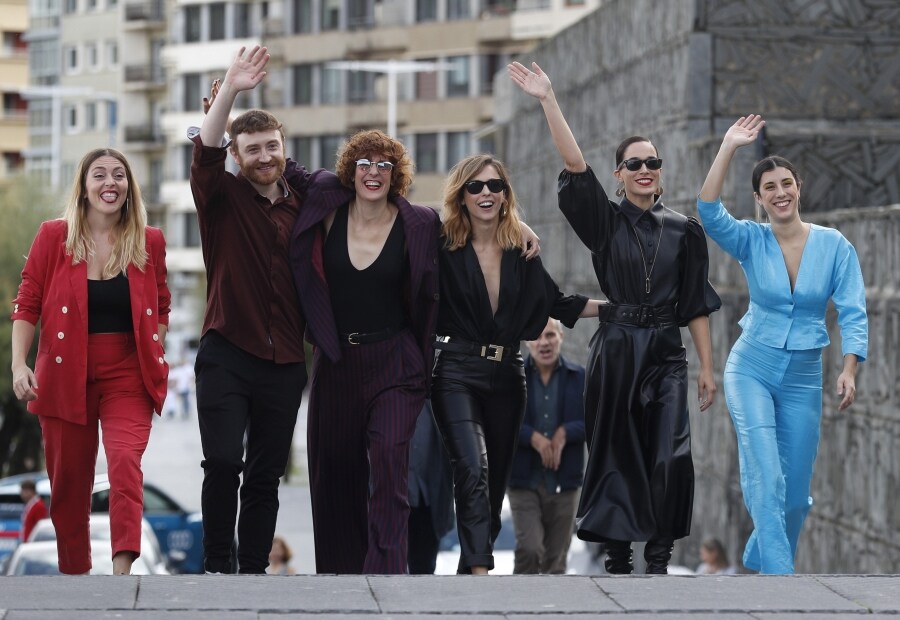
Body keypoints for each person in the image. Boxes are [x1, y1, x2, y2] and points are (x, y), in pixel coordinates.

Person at [508, 61, 721, 575]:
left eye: (654, 160)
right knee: (618, 449)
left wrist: (708, 368)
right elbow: (576, 167)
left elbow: (694, 302)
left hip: (667, 351)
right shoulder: (603, 222)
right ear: (620, 173)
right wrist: (548, 100)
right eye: (634, 163)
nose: (646, 168)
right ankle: (619, 556)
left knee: (670, 452)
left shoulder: (686, 231)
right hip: (619, 346)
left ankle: (660, 554)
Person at [697, 115, 868, 575]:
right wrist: (729, 147)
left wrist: (850, 368)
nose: (779, 193)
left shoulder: (835, 246)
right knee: (766, 475)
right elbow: (708, 211)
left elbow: (853, 309)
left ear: (799, 187)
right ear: (758, 198)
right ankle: (780, 584)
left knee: (795, 495)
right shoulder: (752, 239)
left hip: (803, 377)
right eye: (769, 187)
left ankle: (758, 553)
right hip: (750, 367)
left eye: (786, 183)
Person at [431, 154, 604, 575]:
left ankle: (470, 569)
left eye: (495, 186)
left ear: (506, 194)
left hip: (509, 375)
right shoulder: (441, 243)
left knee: (492, 487)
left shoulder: (520, 251)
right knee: (472, 466)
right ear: (462, 195)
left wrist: (621, 310)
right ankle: (479, 573)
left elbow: (557, 302)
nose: (486, 193)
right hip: (455, 371)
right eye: (475, 187)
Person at [11, 148, 170, 575]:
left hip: (128, 373)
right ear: (84, 187)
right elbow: (27, 303)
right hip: (64, 373)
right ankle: (75, 578)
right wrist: (19, 365)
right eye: (99, 175)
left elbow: (162, 304)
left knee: (124, 464)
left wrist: (155, 345)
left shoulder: (149, 241)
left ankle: (122, 575)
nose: (109, 183)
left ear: (128, 188)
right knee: (68, 485)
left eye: (119, 175)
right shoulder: (53, 237)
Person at [287, 128, 439, 575]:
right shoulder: (326, 206)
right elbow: (280, 163)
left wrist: (516, 224)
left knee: (391, 466)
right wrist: (231, 105)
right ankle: (341, 580)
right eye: (365, 164)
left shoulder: (419, 222)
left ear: (396, 176)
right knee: (333, 476)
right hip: (336, 363)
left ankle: (386, 578)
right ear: (350, 172)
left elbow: (468, 230)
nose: (374, 172)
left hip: (396, 362)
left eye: (384, 165)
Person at [190, 45, 308, 574]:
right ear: (238, 156)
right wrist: (232, 90)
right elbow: (207, 148)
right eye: (253, 149)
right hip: (226, 354)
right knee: (222, 464)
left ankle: (253, 572)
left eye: (272, 146)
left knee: (265, 475)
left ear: (285, 148)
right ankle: (218, 566)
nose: (264, 156)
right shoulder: (220, 197)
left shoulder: (303, 206)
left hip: (285, 363)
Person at [507, 318, 585, 574]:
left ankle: (553, 612)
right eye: (537, 337)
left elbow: (595, 422)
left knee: (556, 559)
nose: (544, 343)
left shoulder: (579, 377)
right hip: (523, 480)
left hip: (565, 481)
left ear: (561, 337)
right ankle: (519, 610)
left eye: (550, 335)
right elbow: (500, 422)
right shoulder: (512, 375)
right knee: (530, 550)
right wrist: (533, 437)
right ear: (527, 342)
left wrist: (565, 432)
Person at [407, 400, 455, 574]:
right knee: (390, 572)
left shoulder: (440, 405)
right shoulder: (393, 403)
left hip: (429, 504)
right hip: (395, 502)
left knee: (424, 572)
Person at [19, 479, 48, 543]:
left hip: (33, 542)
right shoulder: (30, 504)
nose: (22, 494)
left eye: (24, 491)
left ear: (31, 491)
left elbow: (40, 526)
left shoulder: (38, 506)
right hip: (27, 541)